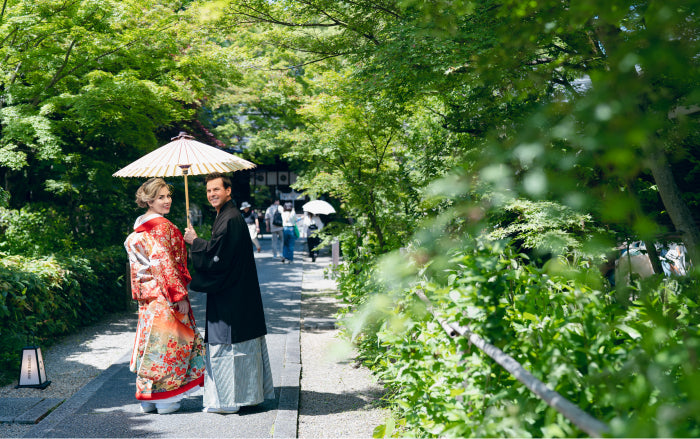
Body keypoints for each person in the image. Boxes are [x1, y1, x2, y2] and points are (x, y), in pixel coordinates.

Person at [183, 173, 274, 414]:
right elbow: (219, 252)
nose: (212, 194)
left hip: (231, 294)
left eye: (216, 189)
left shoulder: (230, 218)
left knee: (228, 344)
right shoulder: (227, 216)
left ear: (228, 191)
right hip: (237, 291)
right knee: (238, 344)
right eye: (208, 191)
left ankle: (229, 401)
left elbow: (217, 257)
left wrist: (195, 241)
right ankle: (247, 395)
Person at [124, 178, 205, 415]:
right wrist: (178, 295)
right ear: (149, 200)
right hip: (165, 295)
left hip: (148, 299)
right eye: (160, 197)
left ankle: (148, 398)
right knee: (170, 345)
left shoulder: (139, 228)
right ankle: (166, 399)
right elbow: (164, 264)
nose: (167, 200)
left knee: (150, 343)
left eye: (168, 196)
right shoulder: (162, 227)